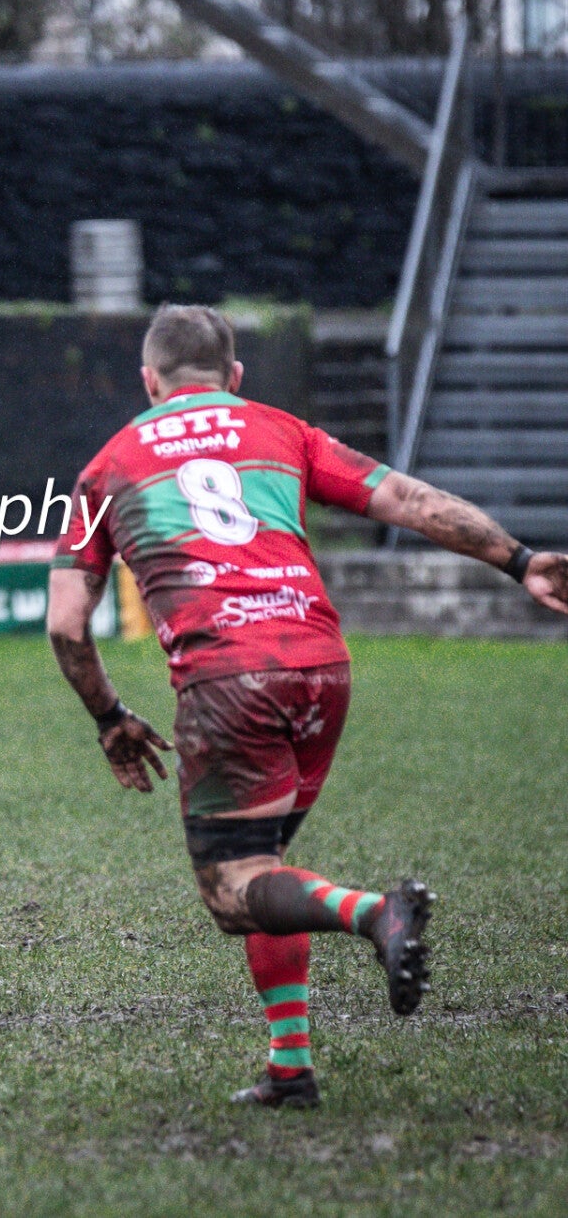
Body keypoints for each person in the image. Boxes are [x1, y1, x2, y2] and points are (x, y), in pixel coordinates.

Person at [47, 304, 568, 1107]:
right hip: (321, 667)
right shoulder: (279, 430)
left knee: (234, 891)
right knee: (269, 866)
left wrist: (110, 717)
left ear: (148, 381)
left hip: (228, 678)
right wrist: (519, 560)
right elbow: (407, 499)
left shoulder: (109, 464)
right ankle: (289, 1067)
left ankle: (374, 914)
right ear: (234, 376)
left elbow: (65, 624)